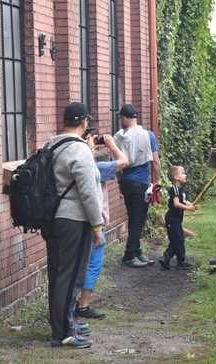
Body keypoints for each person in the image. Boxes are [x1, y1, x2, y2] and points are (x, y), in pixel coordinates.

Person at [45, 102, 105, 349]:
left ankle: (61, 324)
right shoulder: (79, 151)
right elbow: (88, 192)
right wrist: (97, 225)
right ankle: (64, 332)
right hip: (74, 219)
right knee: (71, 276)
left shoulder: (52, 145)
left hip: (53, 218)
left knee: (58, 273)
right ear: (84, 122)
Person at [76, 134, 128, 319]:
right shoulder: (97, 168)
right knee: (92, 264)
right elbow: (124, 161)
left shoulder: (74, 164)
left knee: (77, 264)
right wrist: (111, 144)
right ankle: (83, 305)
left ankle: (73, 304)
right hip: (95, 223)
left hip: (77, 220)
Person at [114, 104, 161, 268]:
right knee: (138, 220)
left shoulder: (118, 137)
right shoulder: (148, 135)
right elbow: (155, 161)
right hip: (141, 182)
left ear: (126, 118)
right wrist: (157, 182)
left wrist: (120, 182)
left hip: (127, 181)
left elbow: (117, 164)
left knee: (134, 217)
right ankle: (129, 255)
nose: (120, 121)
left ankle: (137, 251)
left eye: (121, 118)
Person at [159, 166, 197, 270]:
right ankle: (179, 260)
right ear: (176, 177)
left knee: (177, 239)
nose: (185, 175)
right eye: (183, 173)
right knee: (178, 240)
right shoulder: (174, 189)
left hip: (176, 220)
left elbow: (184, 201)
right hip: (172, 219)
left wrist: (192, 205)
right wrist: (189, 208)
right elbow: (176, 204)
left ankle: (166, 259)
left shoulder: (181, 189)